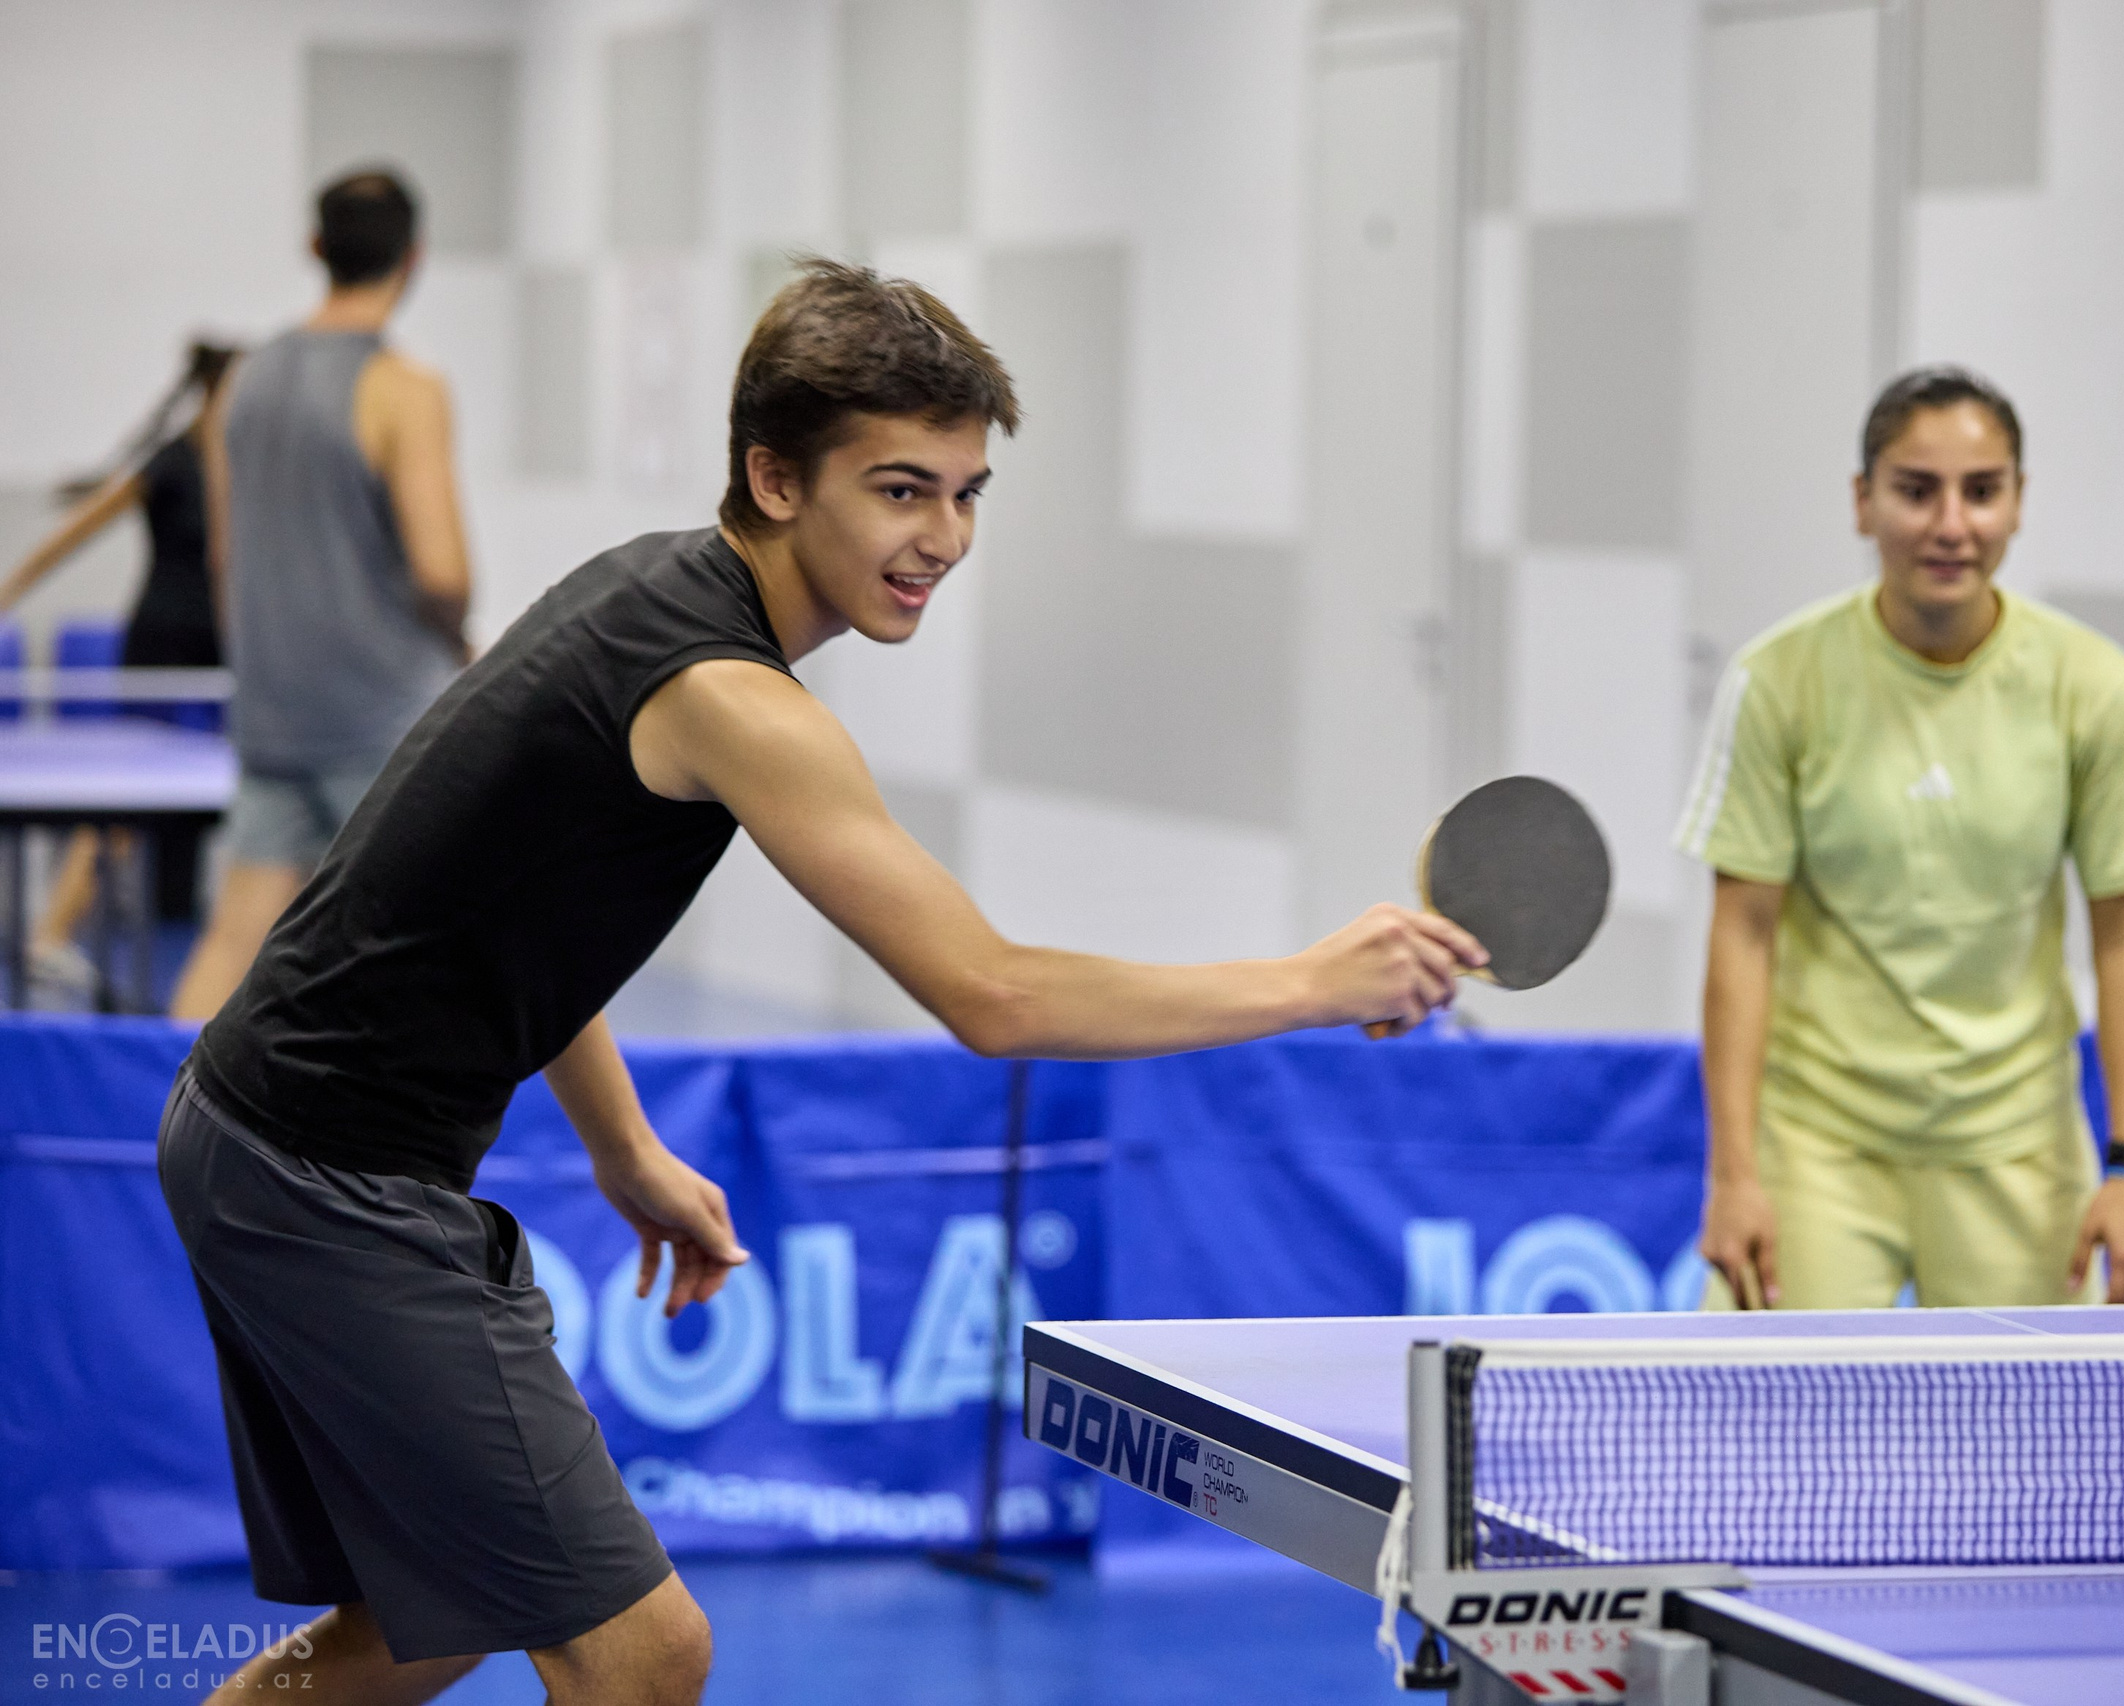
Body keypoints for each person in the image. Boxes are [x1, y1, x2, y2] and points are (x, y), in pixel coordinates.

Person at [159, 259, 1483, 1704]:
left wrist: (627, 1148)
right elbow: (995, 996)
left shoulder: (647, 588)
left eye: (969, 493)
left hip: (271, 1136)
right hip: (321, 1171)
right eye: (902, 490)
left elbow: (506, 907)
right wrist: (1311, 979)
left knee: (443, 1616)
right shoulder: (735, 699)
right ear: (776, 477)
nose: (945, 537)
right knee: (644, 1650)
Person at [1677, 366, 2124, 1313]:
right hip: (1820, 1141)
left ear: (2018, 502)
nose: (1951, 524)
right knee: (1775, 1444)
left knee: (2036, 1447)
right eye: (1916, 491)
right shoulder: (1778, 681)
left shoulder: (2094, 686)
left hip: (2018, 1144)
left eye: (1982, 491)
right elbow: (1741, 933)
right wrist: (1733, 1176)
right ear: (1863, 501)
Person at [168, 166, 471, 1020]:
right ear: (413, 259)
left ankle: (155, 1136)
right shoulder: (405, 389)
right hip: (381, 716)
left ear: (314, 249)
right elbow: (442, 573)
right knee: (414, 945)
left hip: (272, 710)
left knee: (235, 934)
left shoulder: (241, 380)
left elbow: (226, 556)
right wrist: (458, 641)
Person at [0, 340, 239, 1004]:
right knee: (122, 812)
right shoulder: (169, 465)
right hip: (159, 651)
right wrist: (9, 588)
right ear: (216, 393)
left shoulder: (248, 470)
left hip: (224, 658)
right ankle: (48, 938)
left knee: (252, 800)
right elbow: (77, 530)